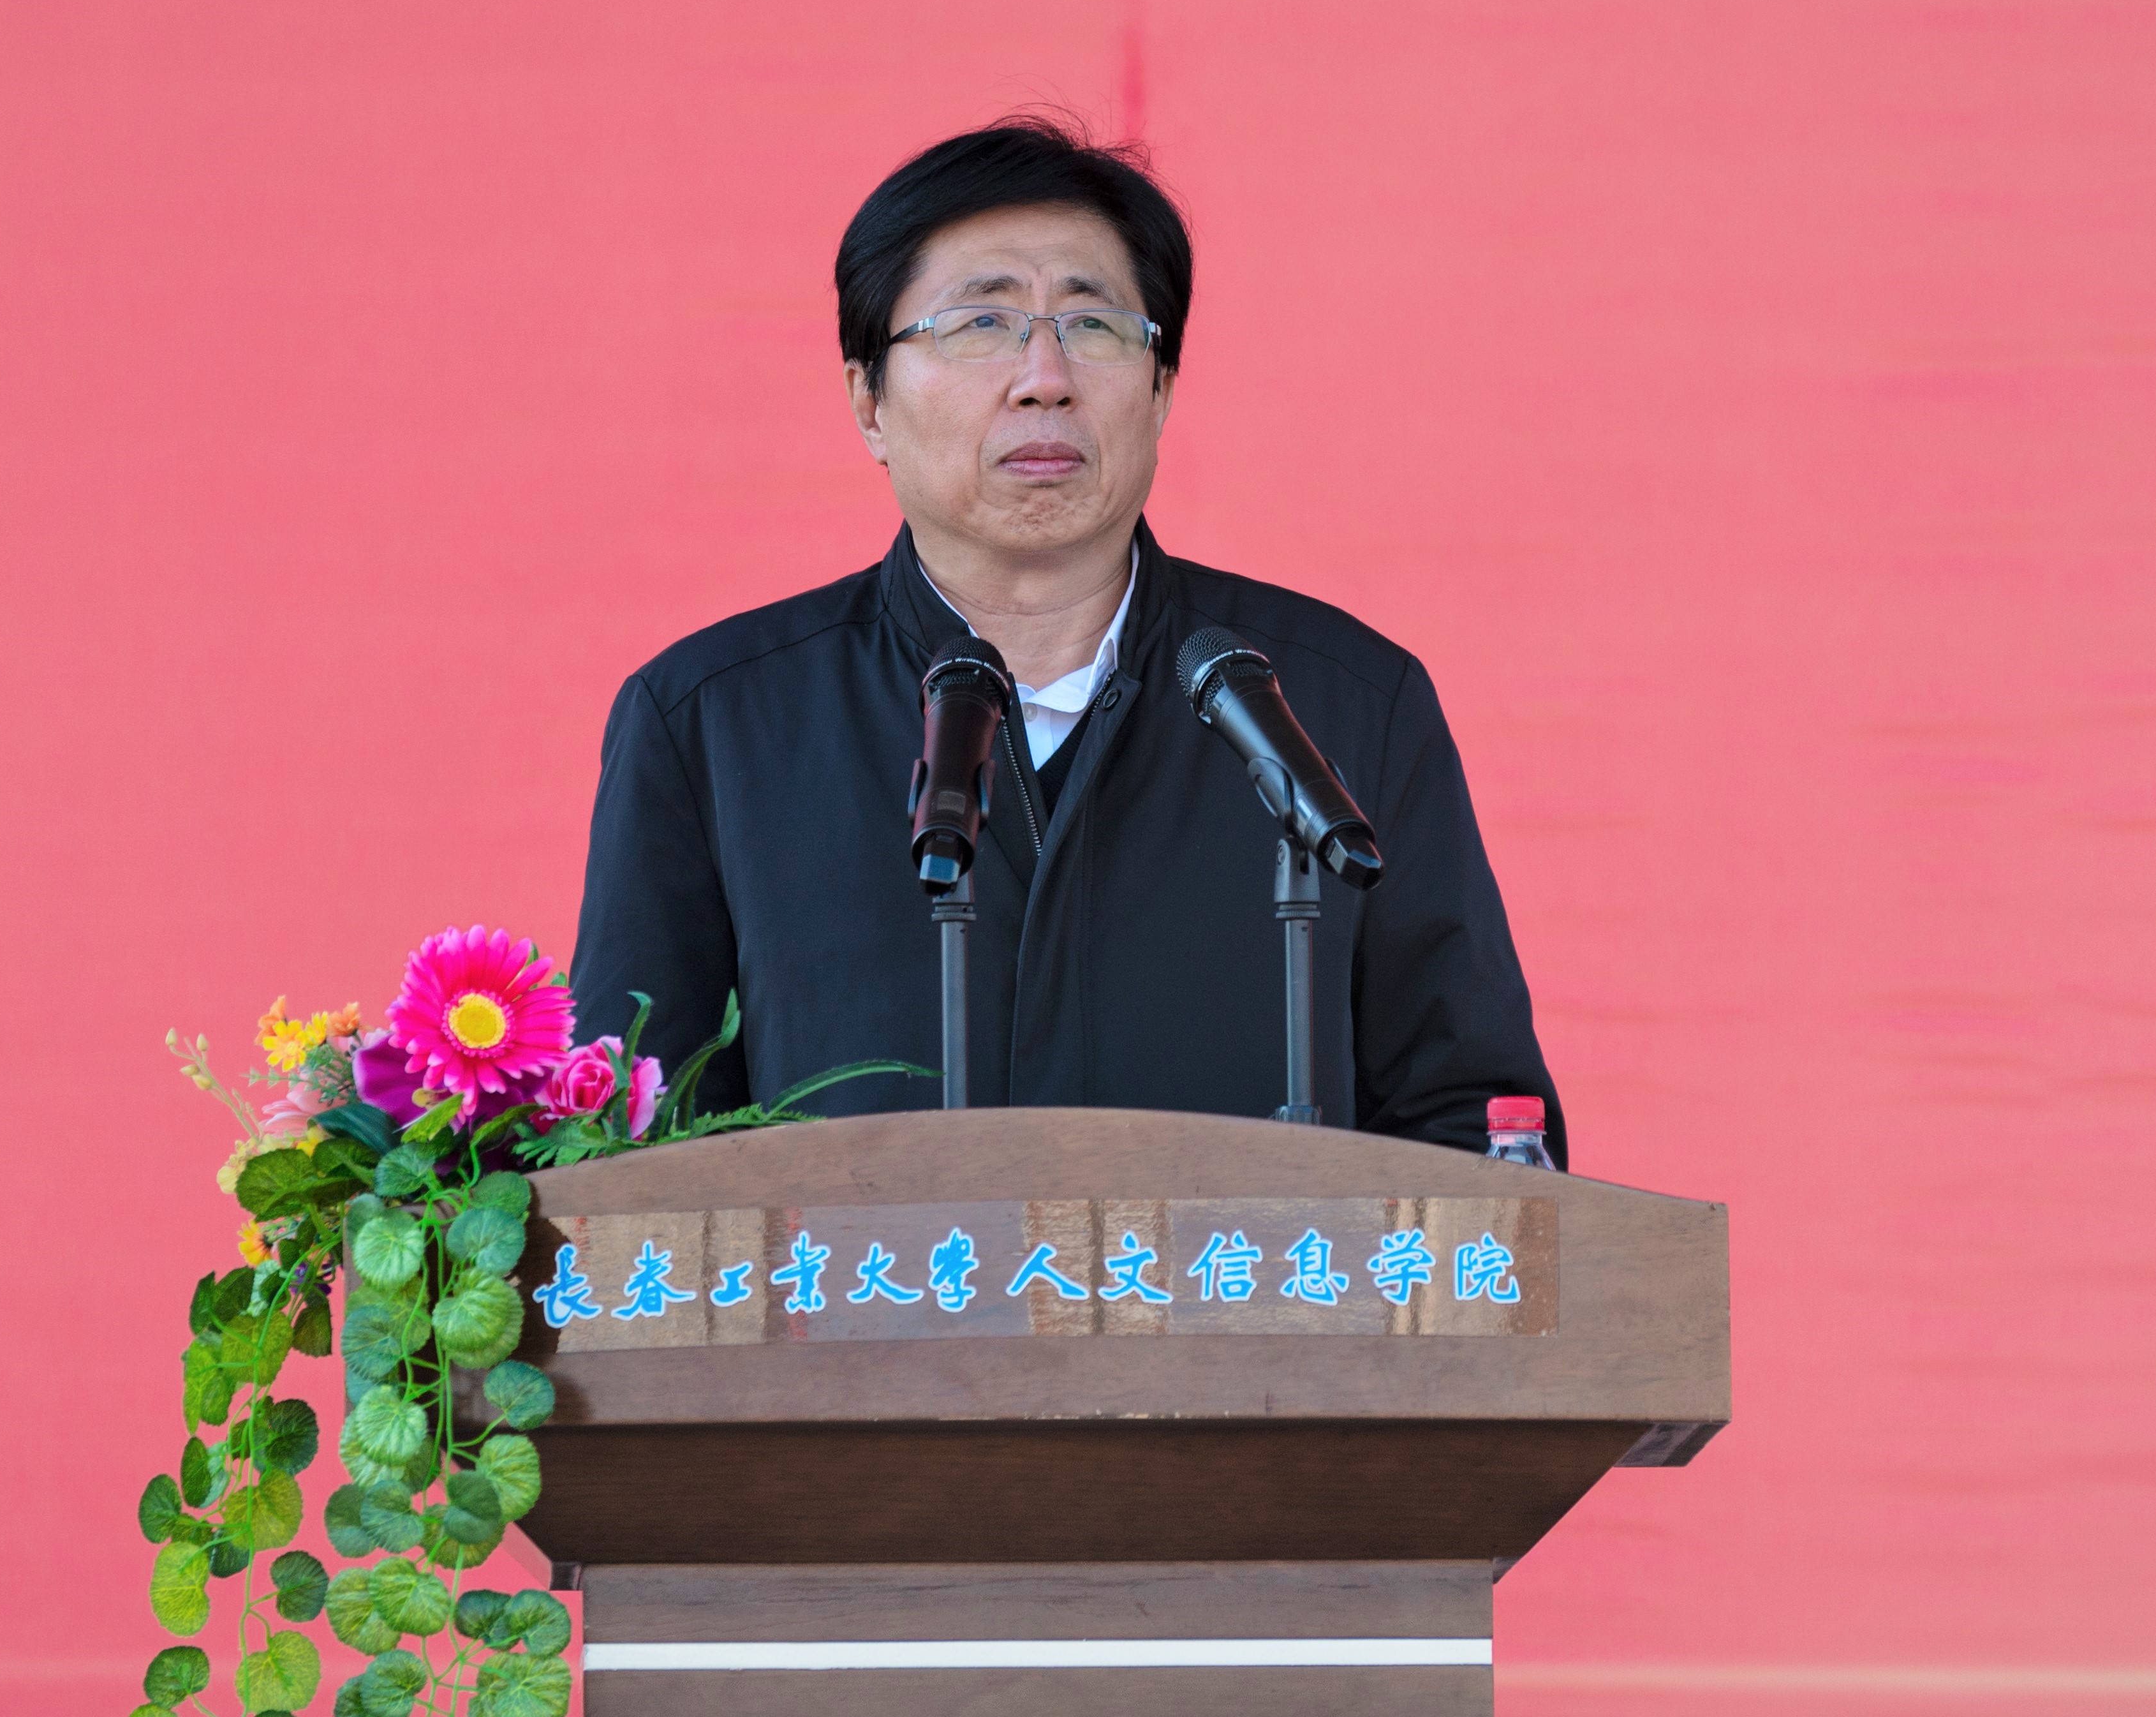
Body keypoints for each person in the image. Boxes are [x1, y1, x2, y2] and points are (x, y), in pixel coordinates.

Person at [570, 117, 1565, 1164]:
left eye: (1093, 326)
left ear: (1161, 389)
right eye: (979, 323)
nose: (1043, 376)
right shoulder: (714, 726)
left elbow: (1477, 1134)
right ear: (868, 401)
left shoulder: (1342, 704)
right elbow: (625, 1161)